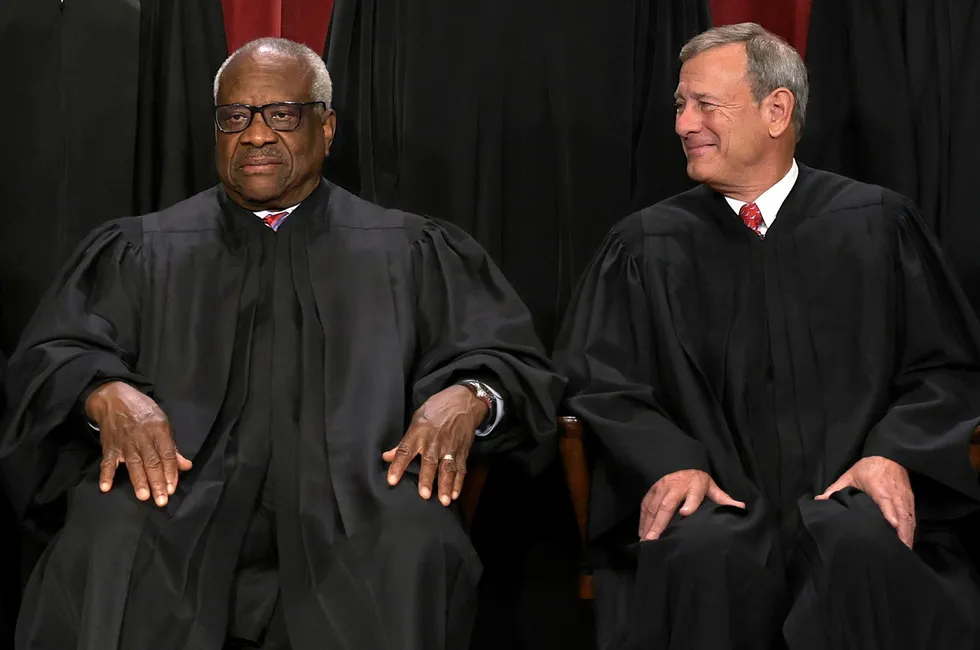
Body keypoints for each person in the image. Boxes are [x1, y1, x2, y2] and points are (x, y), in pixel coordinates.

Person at [0, 38, 563, 650]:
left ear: (327, 127)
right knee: (106, 533)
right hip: (175, 491)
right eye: (234, 117)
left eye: (282, 115)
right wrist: (103, 392)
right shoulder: (141, 250)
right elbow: (52, 353)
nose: (256, 135)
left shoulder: (409, 250)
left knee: (414, 542)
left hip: (360, 495)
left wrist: (470, 395)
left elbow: (510, 361)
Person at [555, 23, 980, 650]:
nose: (682, 124)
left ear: (776, 109)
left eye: (704, 104)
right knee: (700, 552)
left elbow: (946, 368)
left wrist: (893, 453)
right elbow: (599, 383)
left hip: (849, 499)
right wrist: (670, 462)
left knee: (864, 544)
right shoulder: (645, 246)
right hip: (713, 504)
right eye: (679, 105)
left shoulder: (878, 225)